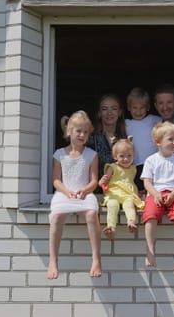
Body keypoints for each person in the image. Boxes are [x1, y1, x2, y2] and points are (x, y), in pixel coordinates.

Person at [48, 110, 101, 280]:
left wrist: (84, 191)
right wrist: (66, 191)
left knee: (92, 214)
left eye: (86, 132)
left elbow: (94, 181)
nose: (82, 135)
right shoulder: (59, 154)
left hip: (84, 193)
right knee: (56, 217)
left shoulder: (91, 155)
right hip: (64, 193)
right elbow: (56, 180)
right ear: (69, 130)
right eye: (79, 131)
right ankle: (53, 260)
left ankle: (96, 258)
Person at [141, 121, 174, 270]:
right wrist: (155, 194)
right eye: (170, 139)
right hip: (156, 193)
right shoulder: (151, 160)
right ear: (158, 142)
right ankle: (150, 251)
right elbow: (147, 182)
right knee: (150, 215)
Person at [98, 136, 145, 241]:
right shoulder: (112, 167)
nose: (126, 159)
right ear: (115, 156)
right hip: (114, 194)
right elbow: (104, 180)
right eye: (122, 156)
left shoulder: (133, 168)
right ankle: (111, 227)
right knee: (112, 205)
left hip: (128, 194)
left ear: (134, 156)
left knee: (129, 205)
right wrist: (102, 182)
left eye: (129, 156)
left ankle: (131, 222)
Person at [124, 87, 162, 194]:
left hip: (153, 163)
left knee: (153, 189)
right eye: (134, 108)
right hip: (134, 164)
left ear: (148, 107)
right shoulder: (126, 123)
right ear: (129, 107)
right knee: (138, 189)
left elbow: (170, 121)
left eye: (142, 108)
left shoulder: (154, 120)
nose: (138, 111)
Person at [87, 93, 127, 186]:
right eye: (104, 109)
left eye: (114, 108)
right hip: (95, 191)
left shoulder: (124, 139)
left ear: (120, 112)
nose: (109, 113)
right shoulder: (91, 138)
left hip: (120, 191)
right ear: (99, 113)